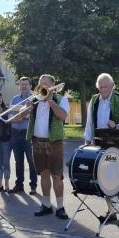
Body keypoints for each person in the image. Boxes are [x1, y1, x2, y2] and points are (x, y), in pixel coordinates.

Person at [83, 73, 119, 226]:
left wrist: (118, 126)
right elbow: (89, 122)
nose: (103, 89)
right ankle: (111, 212)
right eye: (101, 87)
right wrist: (87, 140)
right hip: (100, 144)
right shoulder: (94, 100)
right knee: (103, 178)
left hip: (118, 144)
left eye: (106, 86)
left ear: (112, 86)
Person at [30, 74, 70, 219]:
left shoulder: (61, 99)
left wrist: (50, 101)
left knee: (57, 175)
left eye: (46, 84)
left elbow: (63, 116)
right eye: (41, 84)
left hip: (54, 141)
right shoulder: (35, 100)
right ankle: (46, 205)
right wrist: (25, 109)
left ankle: (60, 207)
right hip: (37, 141)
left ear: (53, 85)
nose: (42, 87)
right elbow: (22, 117)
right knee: (44, 174)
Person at [10, 77, 38, 195]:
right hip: (16, 133)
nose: (24, 87)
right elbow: (11, 117)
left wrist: (20, 115)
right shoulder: (14, 99)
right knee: (18, 161)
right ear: (19, 86)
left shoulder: (35, 98)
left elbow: (34, 117)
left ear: (30, 86)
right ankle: (19, 185)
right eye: (22, 85)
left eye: (26, 85)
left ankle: (33, 186)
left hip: (29, 133)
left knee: (32, 161)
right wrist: (23, 115)